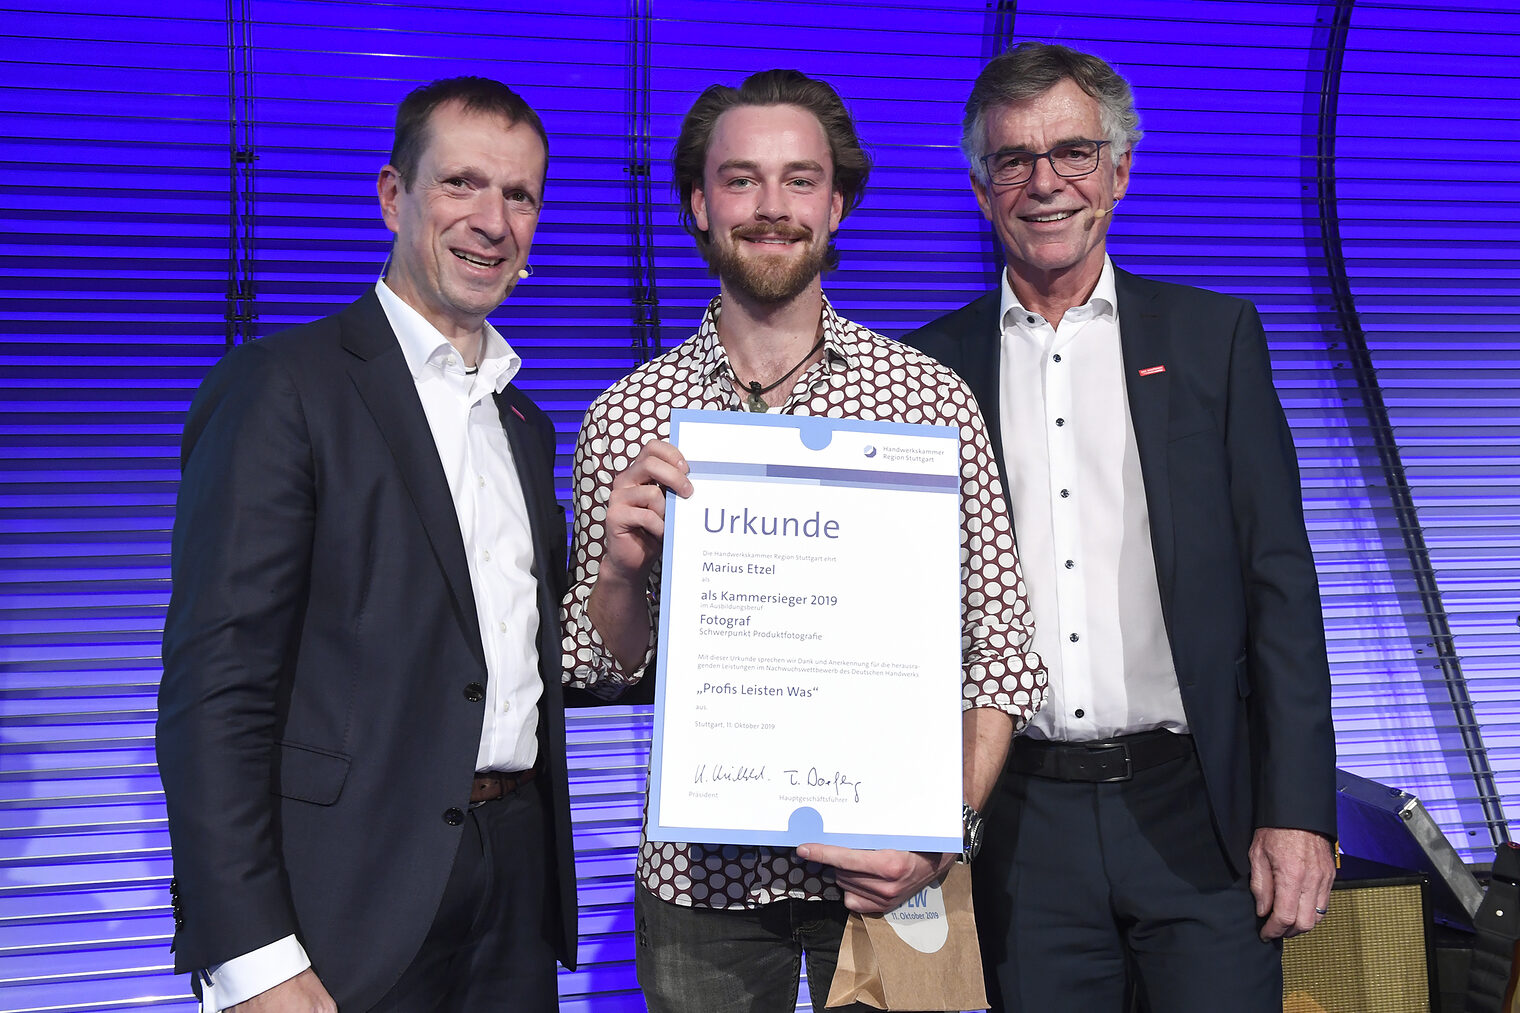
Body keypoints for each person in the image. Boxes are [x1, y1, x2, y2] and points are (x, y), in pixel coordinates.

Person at [560, 69, 1045, 1013]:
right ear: (700, 204)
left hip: (889, 875)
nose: (770, 207)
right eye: (740, 180)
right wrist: (620, 570)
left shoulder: (928, 400)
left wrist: (940, 833)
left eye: (798, 180)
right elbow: (603, 664)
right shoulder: (627, 417)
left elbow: (1001, 651)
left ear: (837, 202)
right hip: (700, 891)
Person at [904, 42, 1338, 1012]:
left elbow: (1280, 584)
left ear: (1118, 170)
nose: (1043, 181)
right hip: (1020, 822)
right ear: (980, 190)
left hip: (1197, 810)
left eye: (1071, 151)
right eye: (1012, 159)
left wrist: (1296, 811)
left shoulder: (1211, 339)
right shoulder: (925, 371)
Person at [157, 77, 575, 1012]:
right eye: (463, 183)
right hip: (343, 897)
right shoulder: (281, 387)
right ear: (394, 196)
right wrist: (252, 954)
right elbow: (215, 690)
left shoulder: (528, 423)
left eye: (520, 195)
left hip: (511, 890)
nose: (493, 221)